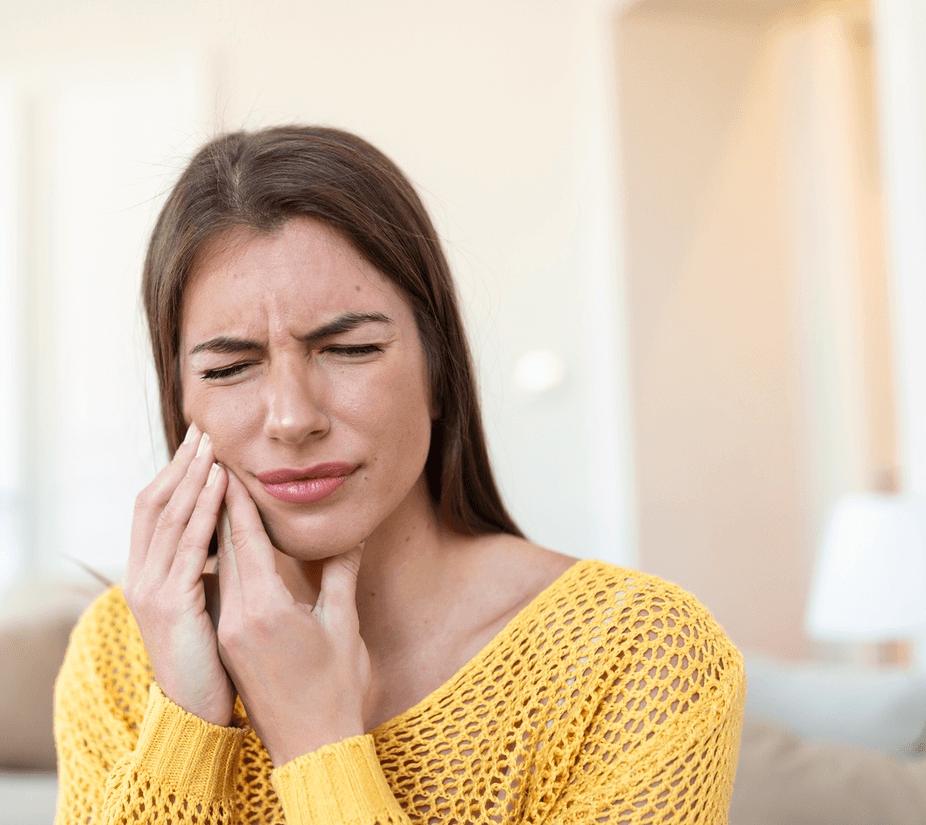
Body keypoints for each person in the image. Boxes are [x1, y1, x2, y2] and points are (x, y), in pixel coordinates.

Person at [52, 125, 745, 825]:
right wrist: (184, 730)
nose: (292, 418)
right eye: (230, 367)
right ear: (182, 400)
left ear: (439, 373)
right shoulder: (121, 650)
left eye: (350, 349)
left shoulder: (642, 654)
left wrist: (317, 743)